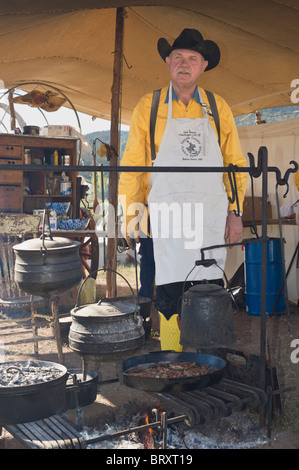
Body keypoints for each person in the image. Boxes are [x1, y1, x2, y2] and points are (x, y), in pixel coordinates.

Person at [119, 28, 247, 351]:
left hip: (209, 222)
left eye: (192, 58)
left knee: (208, 290)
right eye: (178, 58)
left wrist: (236, 212)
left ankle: (209, 361)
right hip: (165, 221)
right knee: (168, 296)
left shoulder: (219, 110)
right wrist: (130, 216)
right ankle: (174, 364)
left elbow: (235, 166)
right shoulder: (148, 108)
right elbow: (132, 167)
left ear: (204, 65)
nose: (184, 64)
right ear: (167, 63)